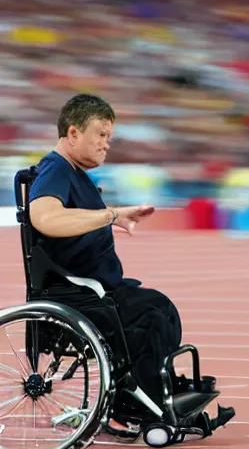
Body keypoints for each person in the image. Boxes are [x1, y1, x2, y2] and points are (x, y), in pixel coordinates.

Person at [27, 93, 180, 411]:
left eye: (109, 137)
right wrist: (111, 215)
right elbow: (43, 218)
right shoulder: (55, 170)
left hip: (97, 286)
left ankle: (156, 391)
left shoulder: (76, 175)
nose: (106, 144)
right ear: (73, 133)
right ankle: (140, 405)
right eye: (100, 134)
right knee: (151, 317)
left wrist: (116, 217)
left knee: (162, 308)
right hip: (76, 291)